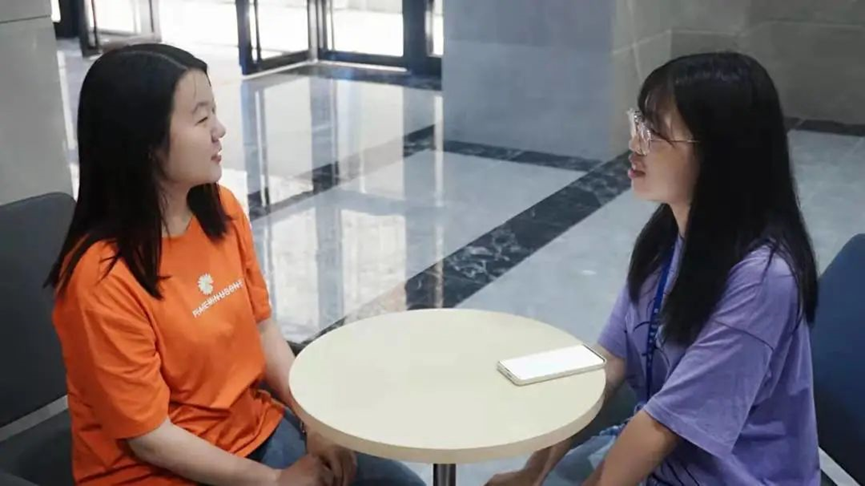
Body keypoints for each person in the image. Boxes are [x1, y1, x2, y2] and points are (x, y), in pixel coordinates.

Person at [48, 44, 425, 486]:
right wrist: (275, 481)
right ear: (145, 142)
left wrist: (314, 423)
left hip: (252, 431)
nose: (219, 130)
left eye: (215, 112)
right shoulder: (100, 278)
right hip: (156, 472)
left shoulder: (220, 210)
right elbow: (151, 438)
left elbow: (262, 329)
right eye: (201, 118)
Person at [487, 52, 821, 485]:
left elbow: (662, 427)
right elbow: (608, 362)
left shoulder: (762, 279)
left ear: (720, 154)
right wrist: (532, 473)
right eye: (639, 122)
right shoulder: (666, 238)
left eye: (655, 132)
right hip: (664, 460)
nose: (634, 143)